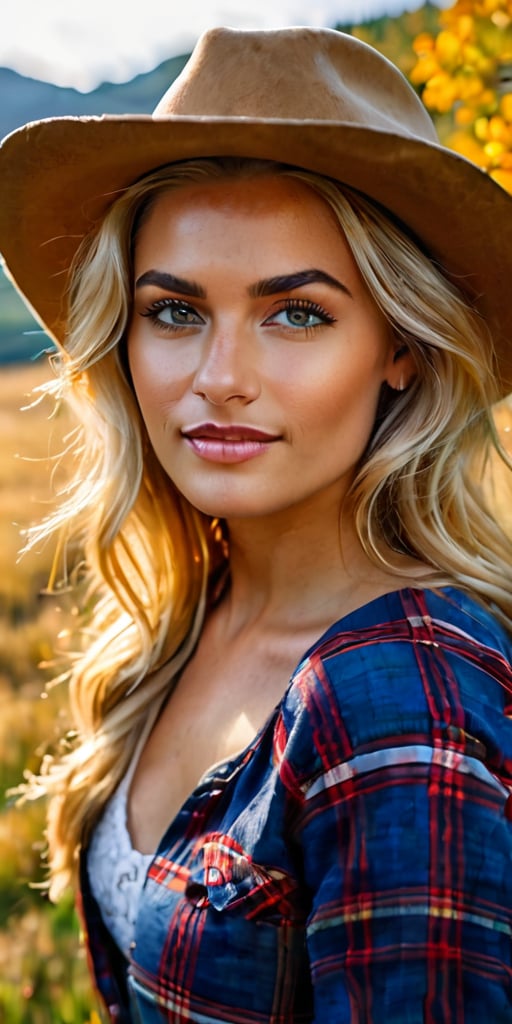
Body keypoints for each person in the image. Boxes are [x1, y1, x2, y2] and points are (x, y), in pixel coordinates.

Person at [1, 24, 512, 1024]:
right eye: (176, 312)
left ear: (400, 345)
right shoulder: (196, 613)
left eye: (297, 313)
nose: (218, 379)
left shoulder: (397, 701)